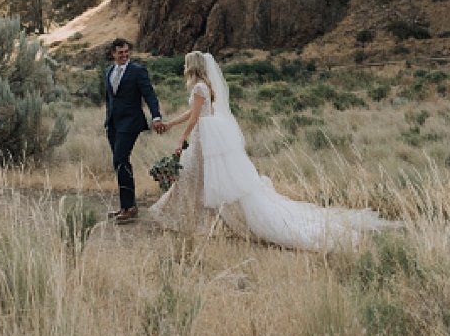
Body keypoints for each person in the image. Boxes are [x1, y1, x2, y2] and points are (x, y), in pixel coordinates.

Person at [147, 51, 391, 250]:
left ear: (193, 66)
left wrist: (181, 138)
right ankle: (186, 215)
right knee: (195, 176)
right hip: (206, 135)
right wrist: (170, 123)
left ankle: (184, 215)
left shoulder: (199, 88)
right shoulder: (203, 86)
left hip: (203, 136)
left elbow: (195, 117)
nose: (184, 66)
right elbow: (192, 114)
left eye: (187, 64)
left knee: (194, 176)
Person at [102, 37, 165, 223]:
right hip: (113, 124)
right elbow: (109, 99)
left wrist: (156, 116)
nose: (124, 55)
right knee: (120, 163)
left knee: (120, 159)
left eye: (126, 52)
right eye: (120, 52)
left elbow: (149, 95)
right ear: (113, 53)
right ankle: (126, 205)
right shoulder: (108, 71)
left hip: (131, 123)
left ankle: (129, 207)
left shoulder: (138, 71)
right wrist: (108, 120)